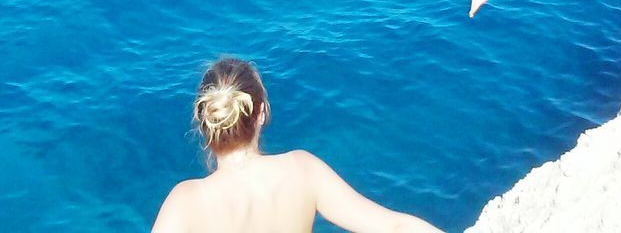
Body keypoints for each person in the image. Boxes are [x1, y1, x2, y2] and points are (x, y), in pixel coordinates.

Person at [151, 58, 444, 233]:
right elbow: (395, 228)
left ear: (204, 121)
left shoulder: (186, 200)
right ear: (262, 113)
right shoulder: (302, 170)